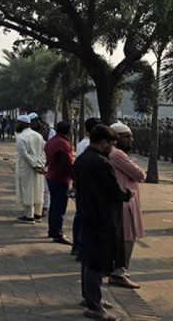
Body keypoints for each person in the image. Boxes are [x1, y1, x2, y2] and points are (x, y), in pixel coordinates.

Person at [75, 125, 133, 321]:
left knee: (88, 258)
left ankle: (90, 297)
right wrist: (127, 194)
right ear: (104, 142)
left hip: (87, 212)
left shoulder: (82, 159)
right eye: (111, 144)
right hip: (101, 216)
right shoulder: (100, 162)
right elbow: (113, 190)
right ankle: (94, 305)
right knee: (96, 261)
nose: (112, 148)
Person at [108, 122, 145, 289]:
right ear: (116, 138)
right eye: (127, 136)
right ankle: (118, 272)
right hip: (125, 203)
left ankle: (119, 269)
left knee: (127, 237)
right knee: (126, 238)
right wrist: (141, 172)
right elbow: (139, 174)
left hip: (126, 201)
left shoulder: (117, 153)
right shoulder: (117, 154)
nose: (131, 139)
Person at [72, 118, 103, 259]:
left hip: (81, 184)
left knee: (80, 216)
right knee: (85, 218)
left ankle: (77, 246)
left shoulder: (81, 143)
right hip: (87, 186)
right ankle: (80, 247)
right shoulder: (89, 146)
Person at [44, 121, 74, 244]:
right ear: (68, 131)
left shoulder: (52, 141)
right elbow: (68, 163)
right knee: (60, 207)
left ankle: (52, 229)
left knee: (54, 205)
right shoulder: (63, 144)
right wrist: (75, 177)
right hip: (60, 178)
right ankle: (58, 233)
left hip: (51, 175)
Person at [14, 115, 47, 223]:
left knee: (27, 190)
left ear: (23, 124)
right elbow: (44, 152)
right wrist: (39, 164)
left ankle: (29, 216)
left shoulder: (21, 137)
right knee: (38, 190)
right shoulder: (38, 136)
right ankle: (37, 214)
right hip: (38, 168)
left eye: (17, 123)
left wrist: (34, 165)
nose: (16, 125)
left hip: (26, 168)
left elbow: (25, 155)